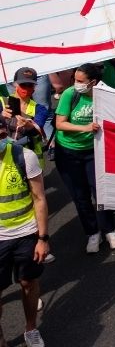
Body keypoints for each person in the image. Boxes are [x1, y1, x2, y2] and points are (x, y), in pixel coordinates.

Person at [55, 63, 115, 253]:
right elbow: (60, 124)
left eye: (80, 81)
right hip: (68, 152)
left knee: (100, 190)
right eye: (75, 79)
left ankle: (109, 229)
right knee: (79, 195)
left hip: (93, 151)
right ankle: (92, 232)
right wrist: (84, 128)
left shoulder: (104, 95)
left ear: (93, 82)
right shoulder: (70, 94)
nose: (76, 84)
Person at [0, 112, 49, 347]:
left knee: (28, 283)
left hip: (25, 234)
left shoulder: (24, 156)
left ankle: (31, 328)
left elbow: (39, 199)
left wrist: (42, 238)